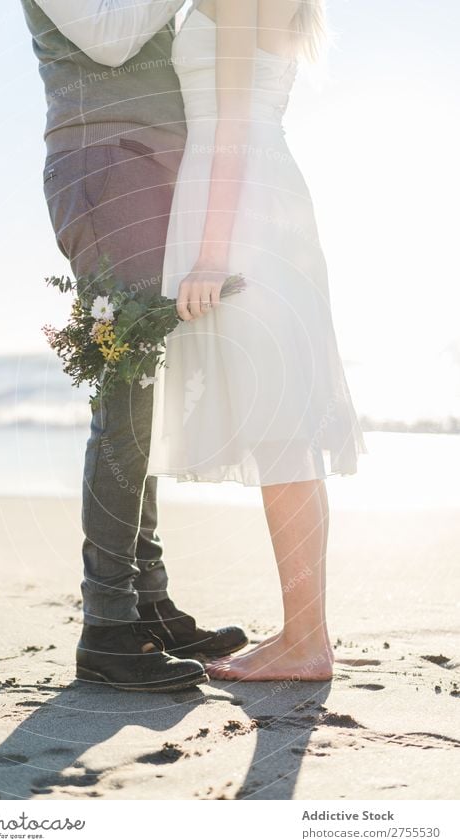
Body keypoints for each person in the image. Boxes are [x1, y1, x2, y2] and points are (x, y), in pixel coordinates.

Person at [20, 0, 248, 693]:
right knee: (125, 389)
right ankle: (109, 623)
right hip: (106, 160)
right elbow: (111, 40)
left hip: (149, 166)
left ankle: (145, 601)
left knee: (144, 391)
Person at [147, 0, 368, 680]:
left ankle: (305, 643)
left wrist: (212, 254)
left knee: (279, 424)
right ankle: (304, 634)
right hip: (242, 193)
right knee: (282, 424)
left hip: (243, 207)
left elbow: (235, 122)